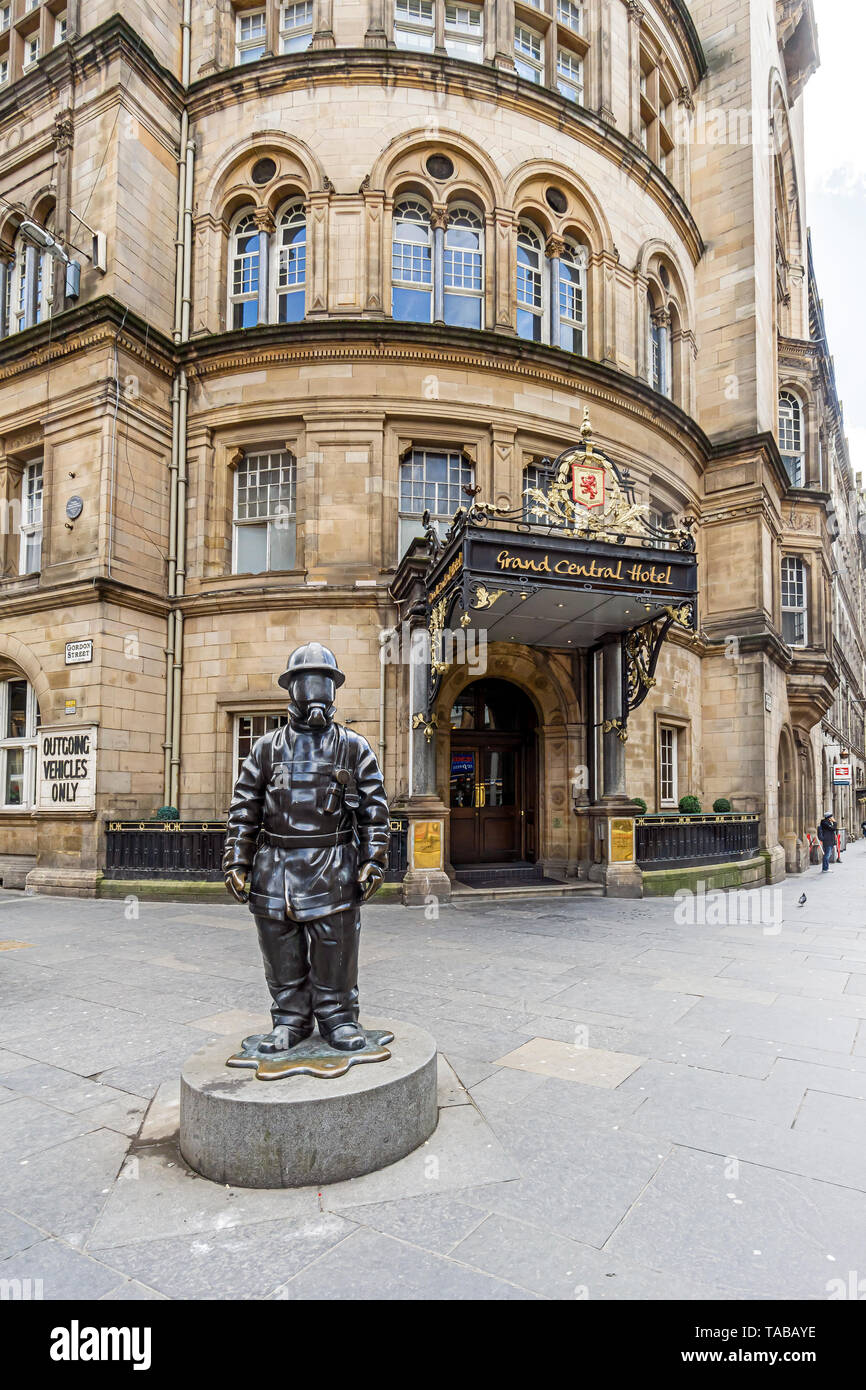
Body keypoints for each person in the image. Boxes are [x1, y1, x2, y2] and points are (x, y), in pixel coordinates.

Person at [223, 642, 390, 1053]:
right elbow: (245, 807)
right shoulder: (265, 749)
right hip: (275, 864)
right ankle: (290, 1019)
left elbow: (375, 810)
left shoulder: (353, 746)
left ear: (333, 691)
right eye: (307, 683)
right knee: (281, 950)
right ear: (292, 689)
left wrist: (374, 859)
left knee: (336, 948)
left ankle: (338, 1017)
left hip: (333, 862)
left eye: (323, 684)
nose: (315, 694)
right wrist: (236, 861)